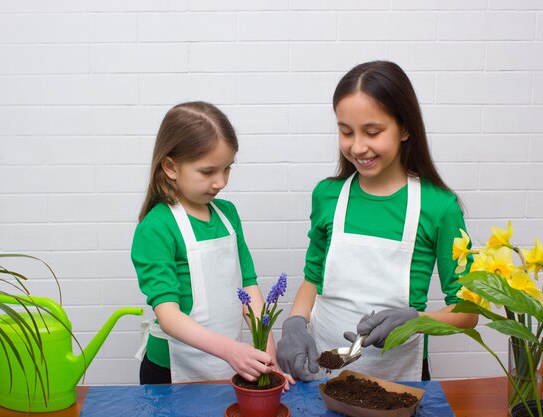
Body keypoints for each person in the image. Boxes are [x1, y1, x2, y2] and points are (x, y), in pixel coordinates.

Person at [276, 61, 478, 382]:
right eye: (346, 131)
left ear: (405, 128)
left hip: (398, 377)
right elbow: (313, 279)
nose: (357, 146)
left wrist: (416, 321)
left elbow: (467, 311)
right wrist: (294, 323)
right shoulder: (327, 195)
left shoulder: (439, 207)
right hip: (322, 370)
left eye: (372, 132)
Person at [132, 101, 288, 386]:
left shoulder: (228, 215)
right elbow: (168, 316)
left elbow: (249, 286)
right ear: (170, 166)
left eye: (227, 169)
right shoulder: (156, 227)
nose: (220, 182)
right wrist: (231, 350)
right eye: (207, 172)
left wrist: (268, 352)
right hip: (170, 372)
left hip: (228, 364)